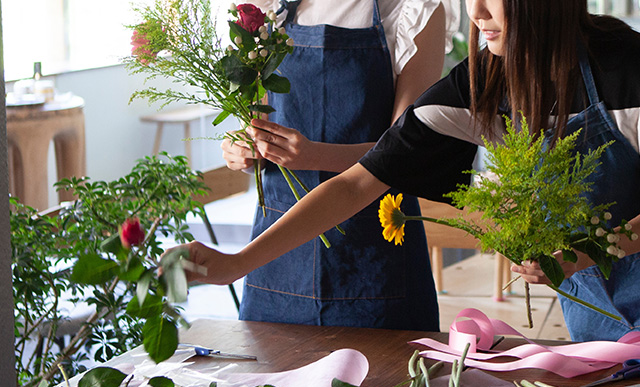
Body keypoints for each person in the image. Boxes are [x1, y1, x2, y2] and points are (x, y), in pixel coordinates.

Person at [174, 0, 640, 342]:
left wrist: (593, 249)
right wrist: (234, 264)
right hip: (596, 332)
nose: (476, 14)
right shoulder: (483, 83)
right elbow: (358, 182)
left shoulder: (627, 70)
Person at [219, 0, 462, 330]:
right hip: (277, 258)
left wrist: (313, 155)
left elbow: (406, 154)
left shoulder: (415, 9)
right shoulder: (268, 8)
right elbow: (260, 120)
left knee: (384, 380)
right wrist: (244, 149)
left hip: (374, 260)